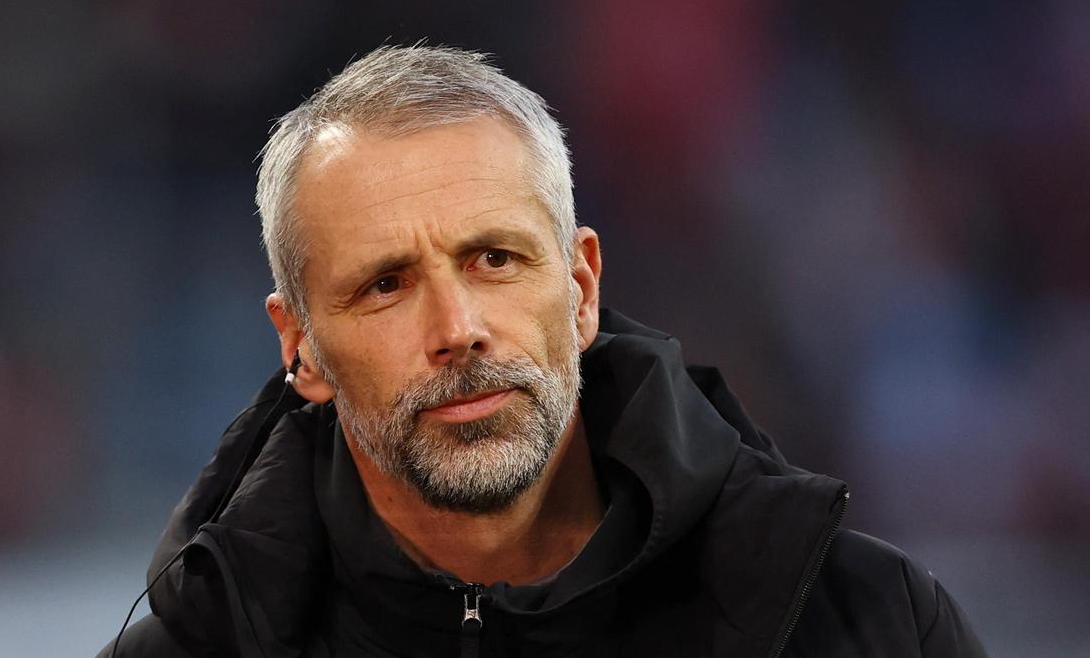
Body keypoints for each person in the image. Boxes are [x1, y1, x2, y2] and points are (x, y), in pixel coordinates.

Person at [100, 45, 985, 657]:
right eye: (386, 284)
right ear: (301, 347)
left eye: (495, 259)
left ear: (582, 288)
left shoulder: (866, 624)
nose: (458, 328)